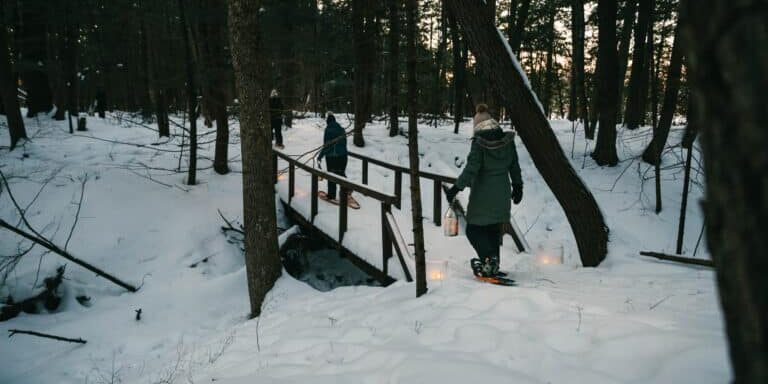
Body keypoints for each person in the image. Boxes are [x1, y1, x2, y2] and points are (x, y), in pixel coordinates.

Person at [446, 103, 524, 277]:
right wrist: (518, 186)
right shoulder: (507, 142)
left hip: (483, 194)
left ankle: (489, 260)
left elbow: (471, 169)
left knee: (473, 229)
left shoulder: (479, 144)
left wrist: (455, 188)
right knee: (493, 229)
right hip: (502, 193)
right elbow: (515, 166)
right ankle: (493, 263)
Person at [318, 112, 358, 208]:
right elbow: (344, 144)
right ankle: (347, 191)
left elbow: (326, 145)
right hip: (343, 156)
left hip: (332, 157)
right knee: (340, 173)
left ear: (328, 122)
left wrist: (320, 156)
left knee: (331, 176)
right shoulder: (342, 129)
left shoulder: (328, 130)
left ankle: (331, 195)